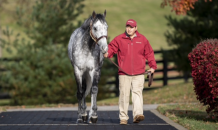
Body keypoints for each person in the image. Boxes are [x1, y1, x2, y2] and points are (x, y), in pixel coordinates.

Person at [104, 19, 157, 125]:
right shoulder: (119, 39)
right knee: (124, 95)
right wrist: (107, 53)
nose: (129, 29)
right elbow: (111, 48)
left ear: (136, 28)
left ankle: (137, 115)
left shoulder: (143, 39)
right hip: (124, 73)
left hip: (139, 73)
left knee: (137, 93)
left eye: (131, 27)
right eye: (127, 26)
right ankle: (123, 117)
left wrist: (152, 67)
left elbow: (149, 53)